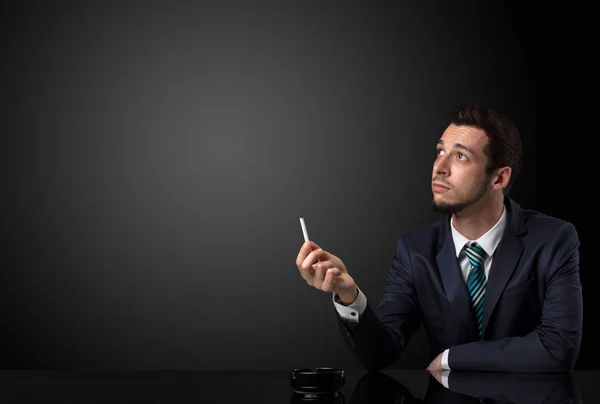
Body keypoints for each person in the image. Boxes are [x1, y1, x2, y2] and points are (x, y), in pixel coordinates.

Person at [294, 103, 582, 372]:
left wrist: (452, 357)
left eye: (460, 156)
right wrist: (349, 294)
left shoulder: (553, 239)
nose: (439, 167)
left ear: (499, 179)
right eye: (440, 151)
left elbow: (558, 348)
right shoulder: (415, 250)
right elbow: (379, 354)